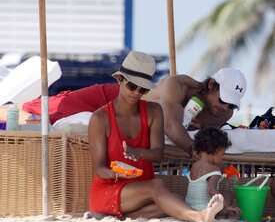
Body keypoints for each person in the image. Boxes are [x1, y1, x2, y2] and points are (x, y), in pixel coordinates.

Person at [0, 57, 247, 159]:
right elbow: (172, 126)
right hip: (111, 97)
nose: (224, 107)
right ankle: (5, 109)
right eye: (222, 99)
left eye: (231, 104)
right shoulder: (178, 85)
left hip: (129, 118)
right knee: (40, 110)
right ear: (211, 84)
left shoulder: (223, 113)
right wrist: (196, 154)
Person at [87, 50, 224, 222]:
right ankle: (200, 217)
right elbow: (99, 169)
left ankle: (110, 217)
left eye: (143, 88)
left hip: (143, 190)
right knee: (158, 188)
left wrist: (138, 153)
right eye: (132, 86)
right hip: (110, 189)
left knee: (174, 202)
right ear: (119, 80)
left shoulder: (154, 111)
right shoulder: (100, 118)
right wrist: (118, 174)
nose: (137, 92)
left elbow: (158, 154)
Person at [185, 127, 241, 218]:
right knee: (227, 193)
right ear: (217, 151)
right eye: (222, 154)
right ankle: (222, 215)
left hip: (189, 207)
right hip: (205, 209)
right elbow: (211, 190)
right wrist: (225, 206)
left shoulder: (194, 166)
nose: (222, 158)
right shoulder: (214, 169)